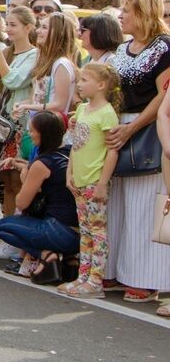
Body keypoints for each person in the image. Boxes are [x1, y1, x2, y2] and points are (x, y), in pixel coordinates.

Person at [106, 0, 170, 304]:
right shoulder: (122, 48)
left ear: (143, 13)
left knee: (144, 205)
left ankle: (146, 277)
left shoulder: (165, 48)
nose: (121, 16)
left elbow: (163, 96)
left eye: (127, 11)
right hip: (117, 127)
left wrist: (132, 127)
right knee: (116, 203)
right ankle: (115, 269)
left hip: (146, 129)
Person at [0, 6, 39, 258]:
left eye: (14, 24)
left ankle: (16, 239)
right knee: (3, 180)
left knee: (17, 180)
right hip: (0, 125)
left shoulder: (34, 55)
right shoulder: (6, 51)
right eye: (8, 24)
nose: (9, 28)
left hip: (20, 125)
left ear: (28, 28)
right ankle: (7, 236)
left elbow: (14, 80)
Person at [58, 63, 121, 298]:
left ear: (102, 85)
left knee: (97, 231)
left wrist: (103, 182)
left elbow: (111, 150)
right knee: (84, 230)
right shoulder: (83, 109)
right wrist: (69, 173)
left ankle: (96, 280)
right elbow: (76, 144)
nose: (80, 84)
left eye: (85, 80)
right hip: (80, 179)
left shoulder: (106, 113)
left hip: (95, 180)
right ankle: (82, 276)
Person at [0, 111, 79, 280]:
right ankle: (69, 259)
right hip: (79, 230)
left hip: (58, 230)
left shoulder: (41, 164)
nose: (29, 134)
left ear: (43, 134)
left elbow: (21, 203)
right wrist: (23, 164)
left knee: (4, 226)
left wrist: (24, 174)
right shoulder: (69, 152)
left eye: (32, 131)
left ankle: (46, 253)